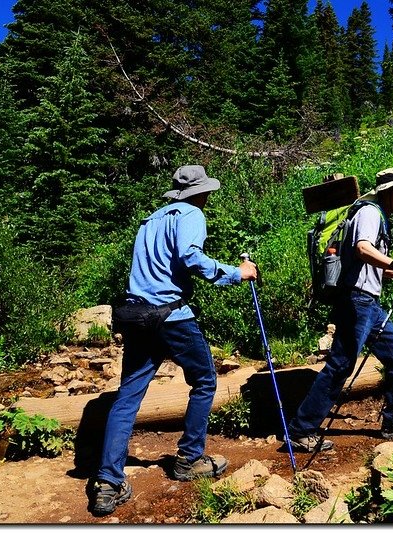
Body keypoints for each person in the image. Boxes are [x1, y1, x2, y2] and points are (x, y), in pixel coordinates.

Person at [89, 165, 257, 516]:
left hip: (139, 317)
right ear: (202, 192)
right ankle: (189, 459)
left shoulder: (150, 221)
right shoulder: (192, 213)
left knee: (127, 398)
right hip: (173, 317)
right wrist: (235, 273)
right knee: (204, 380)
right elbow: (190, 257)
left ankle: (108, 481)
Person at [287, 167, 393, 453]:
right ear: (389, 193)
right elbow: (362, 249)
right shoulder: (370, 212)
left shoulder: (377, 216)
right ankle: (301, 429)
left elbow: (376, 268)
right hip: (356, 301)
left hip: (368, 303)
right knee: (342, 364)